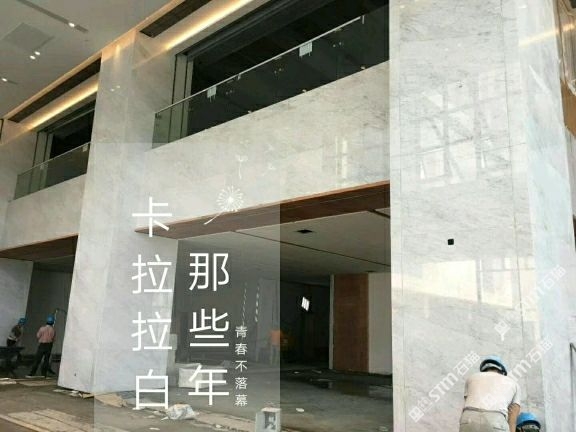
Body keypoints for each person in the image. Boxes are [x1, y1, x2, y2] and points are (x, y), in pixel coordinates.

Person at [459, 356, 521, 432]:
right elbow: (512, 419)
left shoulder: (471, 378)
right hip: (495, 421)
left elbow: (465, 404)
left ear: (483, 369)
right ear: (502, 371)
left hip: (469, 418)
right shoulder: (513, 383)